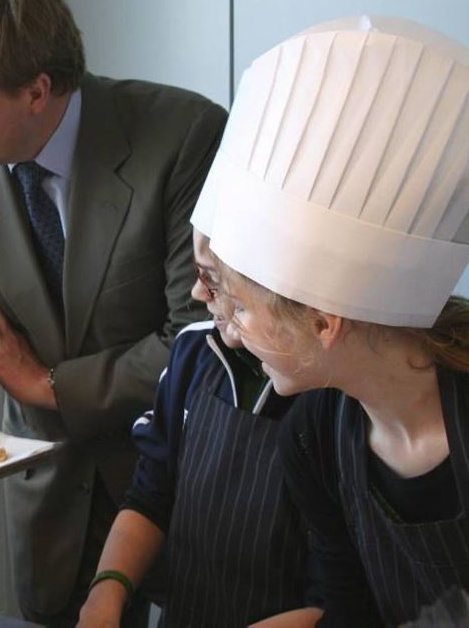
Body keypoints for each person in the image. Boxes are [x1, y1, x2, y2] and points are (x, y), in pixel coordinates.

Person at [0, 0, 227, 623]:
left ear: (37, 92)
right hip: (50, 500)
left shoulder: (181, 136)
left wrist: (49, 385)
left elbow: (199, 340)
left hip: (180, 485)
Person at [202, 16, 469, 625]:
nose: (232, 330)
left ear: (324, 323)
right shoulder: (314, 434)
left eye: (241, 306)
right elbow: (346, 606)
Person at [78, 226, 324, 627]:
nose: (197, 293)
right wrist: (106, 591)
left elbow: (338, 595)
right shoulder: (195, 353)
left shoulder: (333, 394)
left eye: (212, 277)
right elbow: (152, 494)